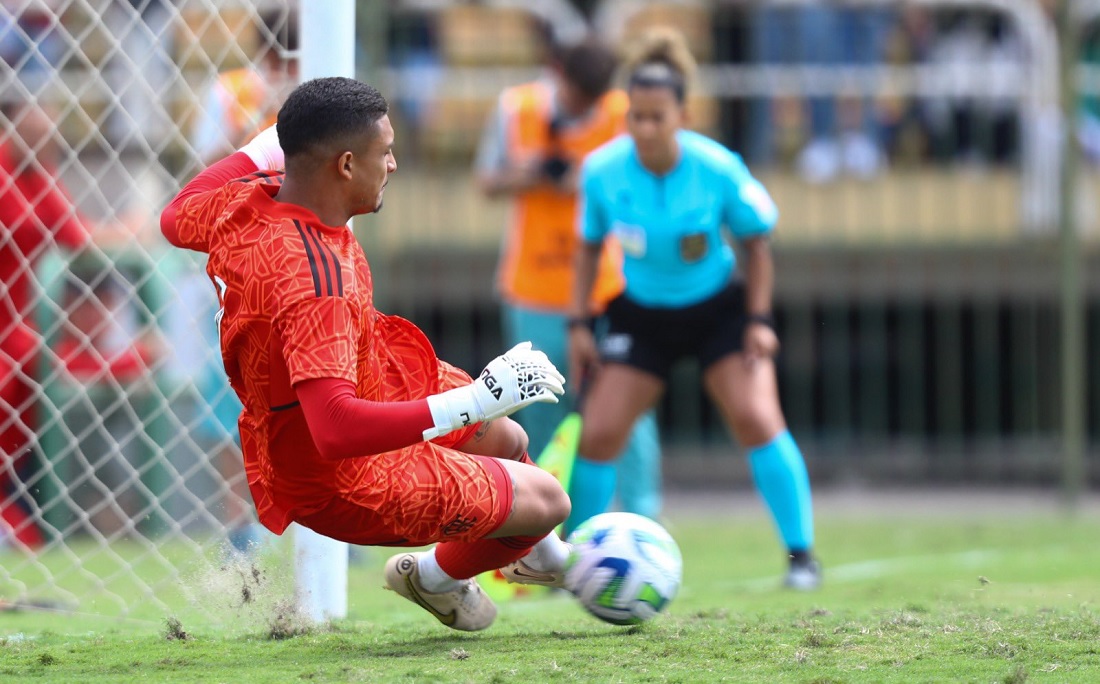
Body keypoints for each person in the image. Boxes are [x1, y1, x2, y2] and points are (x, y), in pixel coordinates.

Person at [159, 76, 573, 631]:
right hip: (341, 475)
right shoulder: (314, 284)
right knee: (548, 501)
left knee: (509, 439)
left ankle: (529, 549)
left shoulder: (246, 202)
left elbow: (176, 214)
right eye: (387, 152)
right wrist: (476, 399)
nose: (395, 165)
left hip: (366, 377)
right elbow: (335, 429)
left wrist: (279, 135)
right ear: (347, 165)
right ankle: (434, 578)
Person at [566, 28, 821, 590]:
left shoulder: (719, 168)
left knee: (756, 418)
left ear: (682, 115)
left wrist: (758, 321)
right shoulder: (603, 172)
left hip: (717, 313)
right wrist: (580, 323)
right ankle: (572, 563)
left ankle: (802, 557)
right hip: (640, 314)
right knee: (599, 432)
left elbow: (757, 244)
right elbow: (587, 248)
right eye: (636, 116)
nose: (645, 128)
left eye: (657, 117)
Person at [474, 30, 661, 527]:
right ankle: (556, 531)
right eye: (579, 96)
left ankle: (643, 520)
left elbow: (642, 180)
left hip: (610, 289)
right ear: (558, 74)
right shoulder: (517, 108)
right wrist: (533, 172)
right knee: (543, 415)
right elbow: (487, 180)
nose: (586, 107)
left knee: (627, 406)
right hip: (534, 287)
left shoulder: (626, 114)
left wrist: (581, 175)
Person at [0, 99, 93, 549]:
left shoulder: (41, 177)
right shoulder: (9, 176)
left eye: (48, 137)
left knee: (35, 374)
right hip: (13, 333)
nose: (42, 144)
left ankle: (15, 516)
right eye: (32, 134)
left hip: (18, 334)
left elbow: (75, 235)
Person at [189, 8, 299, 167]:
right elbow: (204, 166)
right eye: (286, 63)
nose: (293, 72)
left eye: (297, 63)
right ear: (267, 55)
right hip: (243, 186)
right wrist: (257, 115)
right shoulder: (230, 88)